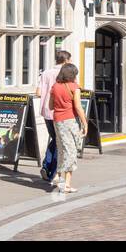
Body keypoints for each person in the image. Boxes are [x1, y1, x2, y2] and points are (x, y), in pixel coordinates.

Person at [49, 62, 87, 194]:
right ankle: (66, 184)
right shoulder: (74, 87)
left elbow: (50, 106)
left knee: (61, 149)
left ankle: (58, 176)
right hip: (69, 120)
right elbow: (78, 106)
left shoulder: (54, 87)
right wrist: (85, 123)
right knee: (71, 151)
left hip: (57, 121)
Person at [36, 48, 70, 184]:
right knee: (59, 141)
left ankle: (46, 166)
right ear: (66, 60)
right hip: (60, 112)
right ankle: (51, 170)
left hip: (46, 112)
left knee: (56, 139)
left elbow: (38, 92)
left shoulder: (46, 73)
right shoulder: (65, 74)